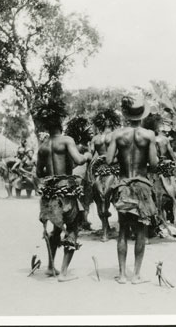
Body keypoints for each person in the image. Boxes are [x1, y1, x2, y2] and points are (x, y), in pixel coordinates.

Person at [35, 97, 92, 282]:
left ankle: (51, 267)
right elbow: (78, 160)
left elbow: (39, 172)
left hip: (50, 192)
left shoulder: (43, 146)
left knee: (55, 229)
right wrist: (87, 155)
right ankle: (64, 272)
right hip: (66, 190)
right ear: (60, 123)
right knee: (73, 228)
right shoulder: (67, 140)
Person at [106, 93, 158, 284]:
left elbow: (109, 159)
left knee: (122, 231)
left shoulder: (117, 134)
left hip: (123, 186)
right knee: (141, 232)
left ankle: (121, 275)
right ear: (142, 115)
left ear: (126, 114)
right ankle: (136, 275)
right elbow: (153, 165)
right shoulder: (149, 135)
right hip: (142, 186)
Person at [143, 113, 176, 241]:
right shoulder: (164, 139)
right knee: (172, 203)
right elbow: (173, 157)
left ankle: (155, 227)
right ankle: (175, 228)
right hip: (165, 174)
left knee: (151, 202)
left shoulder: (146, 139)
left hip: (151, 173)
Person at [89, 109, 121, 241]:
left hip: (98, 169)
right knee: (121, 196)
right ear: (113, 122)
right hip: (113, 167)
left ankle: (105, 232)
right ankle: (123, 228)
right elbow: (118, 153)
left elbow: (91, 155)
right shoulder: (115, 135)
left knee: (99, 200)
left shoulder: (95, 138)